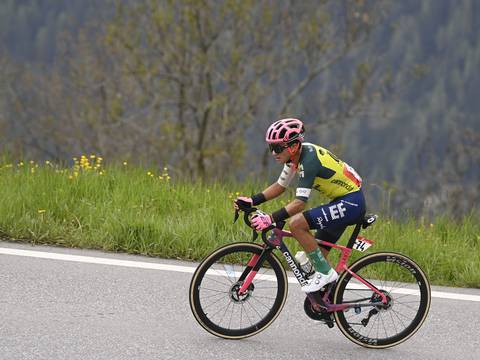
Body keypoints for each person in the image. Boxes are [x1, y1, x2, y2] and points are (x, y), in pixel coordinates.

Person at [234, 118, 365, 293]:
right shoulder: (294, 157)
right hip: (342, 201)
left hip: (351, 203)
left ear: (293, 146)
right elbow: (280, 186)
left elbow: (299, 204)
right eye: (271, 147)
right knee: (315, 262)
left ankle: (326, 274)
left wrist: (270, 218)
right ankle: (328, 304)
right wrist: (253, 200)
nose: (273, 153)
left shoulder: (308, 161)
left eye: (277, 148)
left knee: (296, 224)